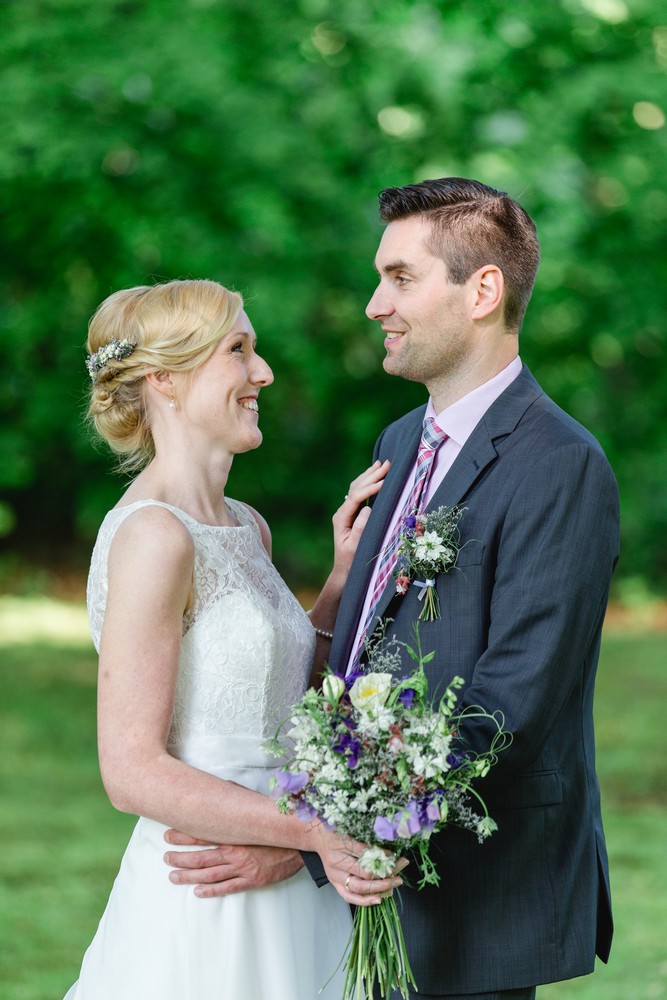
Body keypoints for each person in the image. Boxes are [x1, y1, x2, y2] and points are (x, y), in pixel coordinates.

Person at [166, 180, 620, 1000]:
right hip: (365, 887)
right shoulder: (402, 438)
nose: (375, 304)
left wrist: (313, 843)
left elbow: (508, 709)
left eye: (400, 278)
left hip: (474, 899)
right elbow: (370, 651)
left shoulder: (560, 463)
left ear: (482, 290)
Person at [64, 278, 402, 1000]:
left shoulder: (245, 524)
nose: (263, 372)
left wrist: (341, 579)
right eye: (239, 351)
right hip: (207, 885)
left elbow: (276, 695)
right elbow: (130, 770)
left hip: (285, 865)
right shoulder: (154, 535)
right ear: (165, 379)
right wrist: (314, 831)